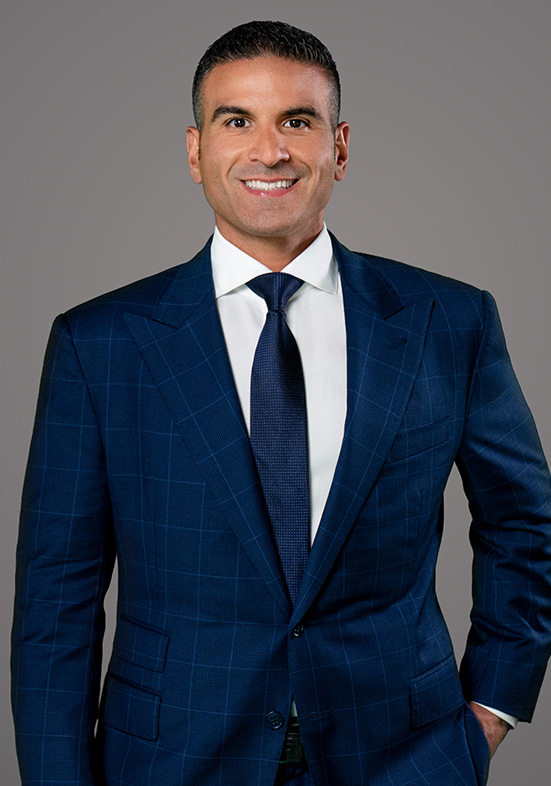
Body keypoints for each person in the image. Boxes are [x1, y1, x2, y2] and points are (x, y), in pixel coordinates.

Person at [11, 19, 551, 786]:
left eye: (296, 121)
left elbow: (524, 525)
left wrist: (491, 711)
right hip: (169, 761)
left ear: (339, 147)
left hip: (405, 757)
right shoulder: (100, 343)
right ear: (195, 151)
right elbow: (55, 599)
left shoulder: (449, 322)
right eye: (237, 121)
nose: (269, 151)